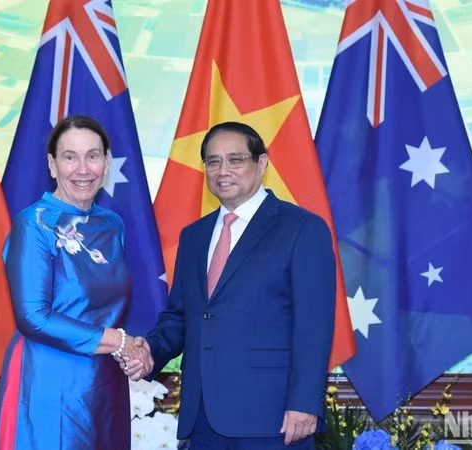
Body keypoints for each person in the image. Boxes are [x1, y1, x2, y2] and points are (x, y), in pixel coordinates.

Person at [125, 121, 336, 448]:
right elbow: (181, 316)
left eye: (235, 159)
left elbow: (314, 325)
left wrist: (305, 403)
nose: (223, 170)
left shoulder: (303, 229)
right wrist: (150, 350)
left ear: (262, 163)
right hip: (202, 417)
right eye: (213, 161)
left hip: (273, 418)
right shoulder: (194, 236)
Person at [0, 115, 152, 449]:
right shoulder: (33, 224)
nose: (83, 169)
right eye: (70, 157)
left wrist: (131, 349)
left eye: (93, 156)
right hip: (48, 379)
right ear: (52, 165)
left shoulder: (112, 224)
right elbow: (33, 317)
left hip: (105, 379)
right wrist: (118, 342)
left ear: (106, 164)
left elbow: (110, 310)